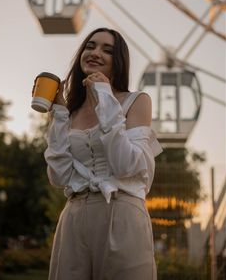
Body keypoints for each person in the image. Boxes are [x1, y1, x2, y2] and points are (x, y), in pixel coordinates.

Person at [44, 27, 162, 280]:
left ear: (118, 61)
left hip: (121, 213)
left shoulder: (136, 101)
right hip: (74, 217)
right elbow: (59, 176)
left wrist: (105, 97)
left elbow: (126, 165)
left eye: (107, 50)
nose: (95, 53)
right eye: (90, 46)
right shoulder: (71, 111)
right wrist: (60, 114)